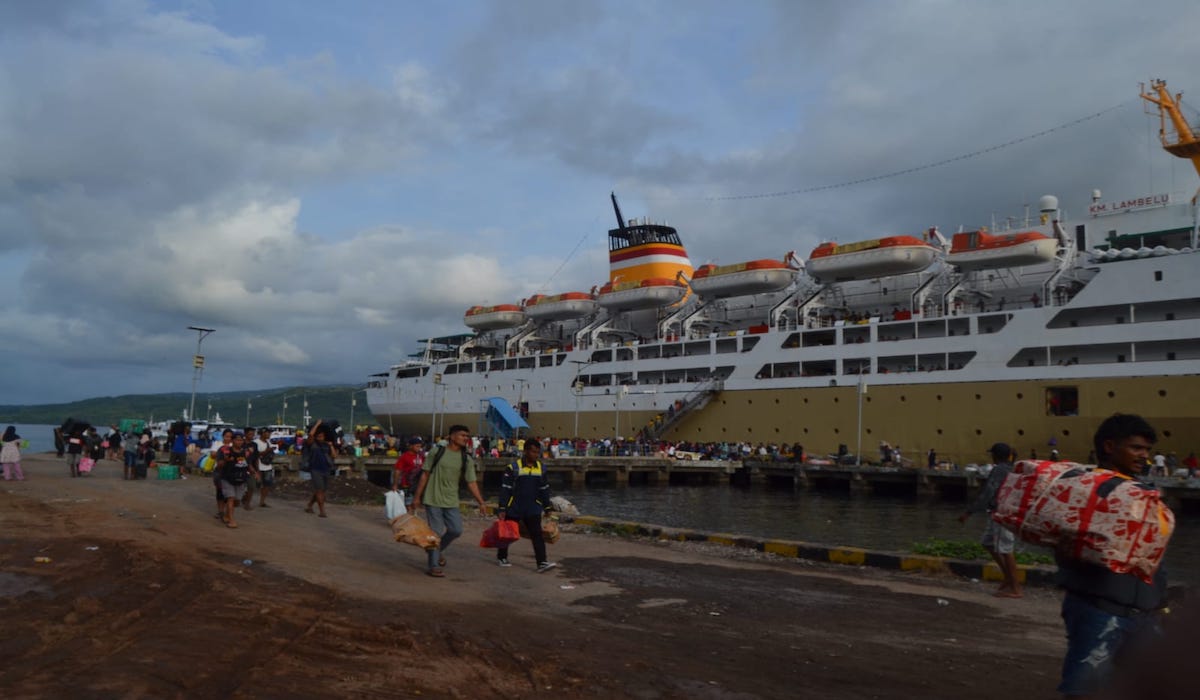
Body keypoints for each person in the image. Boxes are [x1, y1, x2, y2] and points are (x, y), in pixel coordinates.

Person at [1055, 414, 1167, 698]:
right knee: (1085, 690)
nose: (1145, 457)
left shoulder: (1140, 493)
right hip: (1099, 609)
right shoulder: (1088, 489)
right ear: (1109, 446)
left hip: (1143, 613)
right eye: (1137, 448)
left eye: (1147, 450)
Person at [412, 424, 488, 578]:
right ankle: (433, 566)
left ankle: (436, 550)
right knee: (437, 532)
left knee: (456, 530)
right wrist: (417, 497)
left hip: (451, 500)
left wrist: (481, 502)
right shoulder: (437, 452)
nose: (465, 439)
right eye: (462, 435)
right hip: (433, 498)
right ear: (452, 436)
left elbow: (471, 482)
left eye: (467, 436)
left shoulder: (465, 458)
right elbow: (425, 474)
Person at [958, 442, 1022, 598]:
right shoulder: (1010, 468)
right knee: (987, 543)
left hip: (1002, 513)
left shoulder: (999, 470)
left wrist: (969, 512)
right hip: (998, 512)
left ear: (995, 455)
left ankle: (1015, 588)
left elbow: (988, 492)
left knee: (1006, 550)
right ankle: (1008, 578)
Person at [496, 439, 556, 572]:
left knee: (537, 535)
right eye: (533, 452)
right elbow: (505, 488)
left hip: (532, 508)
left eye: (538, 452)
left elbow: (544, 489)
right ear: (526, 451)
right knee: (508, 534)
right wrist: (502, 508)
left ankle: (542, 563)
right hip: (514, 507)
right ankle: (502, 557)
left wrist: (547, 507)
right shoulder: (513, 468)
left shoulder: (541, 468)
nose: (536, 455)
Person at [216, 431, 254, 529]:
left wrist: (254, 472)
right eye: (237, 440)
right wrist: (225, 460)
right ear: (232, 440)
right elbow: (219, 465)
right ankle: (232, 520)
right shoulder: (224, 450)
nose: (239, 442)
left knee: (237, 501)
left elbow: (248, 464)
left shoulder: (246, 452)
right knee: (231, 498)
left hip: (241, 479)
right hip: (227, 478)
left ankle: (227, 515)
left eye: (241, 440)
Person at [304, 420, 337, 518]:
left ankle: (309, 505)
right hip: (315, 470)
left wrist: (331, 446)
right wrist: (317, 424)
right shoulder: (312, 444)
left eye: (321, 436)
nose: (320, 438)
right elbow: (310, 435)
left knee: (322, 490)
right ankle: (322, 511)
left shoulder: (327, 445)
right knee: (319, 490)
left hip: (326, 470)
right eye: (318, 436)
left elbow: (334, 456)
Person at [392, 436, 425, 507]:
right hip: (407, 485)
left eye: (420, 446)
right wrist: (395, 484)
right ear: (410, 446)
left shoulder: (421, 456)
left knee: (415, 505)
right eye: (417, 446)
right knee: (409, 505)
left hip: (417, 485)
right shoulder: (404, 457)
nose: (419, 448)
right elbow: (397, 471)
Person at [252, 428, 275, 508]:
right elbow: (256, 455)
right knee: (254, 485)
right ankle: (246, 499)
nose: (269, 434)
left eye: (269, 433)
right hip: (259, 467)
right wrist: (268, 450)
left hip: (268, 466)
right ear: (262, 433)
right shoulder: (256, 442)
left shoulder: (268, 442)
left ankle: (262, 501)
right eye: (267, 433)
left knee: (267, 485)